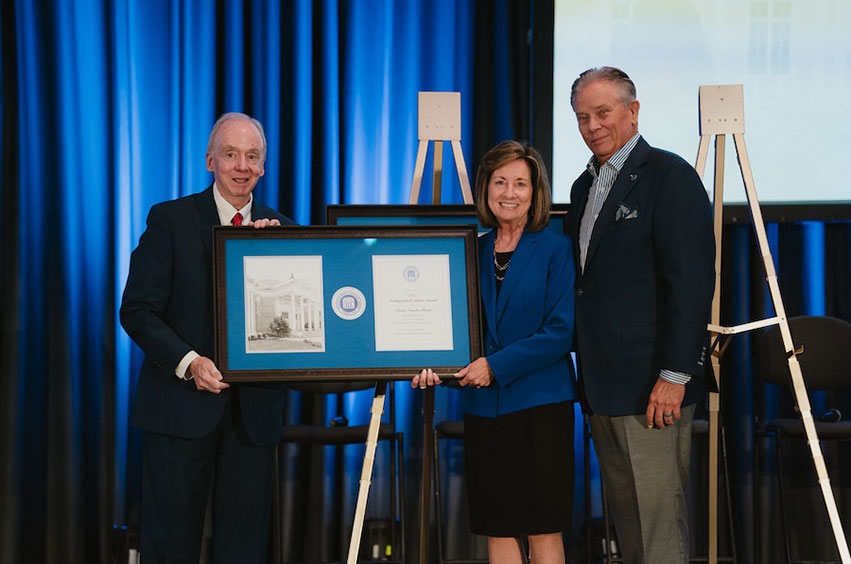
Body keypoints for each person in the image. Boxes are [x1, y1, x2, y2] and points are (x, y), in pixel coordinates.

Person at [120, 112, 295, 563]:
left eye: (252, 156)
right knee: (170, 548)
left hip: (252, 419)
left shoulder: (285, 232)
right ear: (210, 161)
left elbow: (299, 329)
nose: (242, 166)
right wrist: (190, 362)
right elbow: (137, 311)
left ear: (263, 166)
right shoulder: (170, 220)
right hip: (179, 410)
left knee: (244, 551)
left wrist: (276, 259)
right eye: (231, 154)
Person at [569, 66, 715, 564]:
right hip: (603, 384)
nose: (592, 126)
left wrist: (675, 375)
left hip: (654, 386)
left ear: (633, 111)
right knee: (629, 525)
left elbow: (691, 284)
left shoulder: (670, 176)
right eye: (582, 117)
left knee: (658, 529)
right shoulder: (583, 187)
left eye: (603, 112)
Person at [413, 141, 576, 564]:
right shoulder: (472, 250)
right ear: (485, 188)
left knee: (543, 527)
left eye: (520, 183)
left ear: (535, 192)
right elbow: (452, 330)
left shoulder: (557, 248)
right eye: (500, 182)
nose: (509, 193)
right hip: (484, 408)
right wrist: (429, 365)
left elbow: (560, 333)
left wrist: (494, 366)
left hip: (542, 405)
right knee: (497, 525)